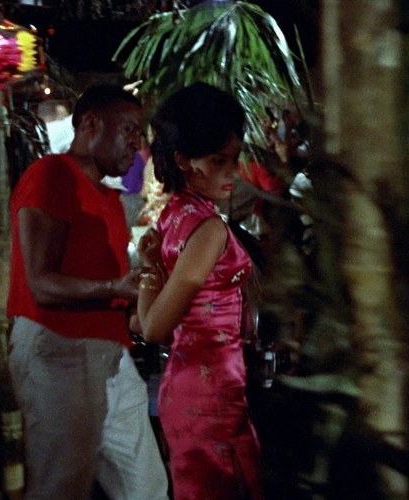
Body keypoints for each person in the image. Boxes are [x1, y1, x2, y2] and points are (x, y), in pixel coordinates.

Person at [7, 84, 168, 500]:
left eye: (140, 133)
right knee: (60, 486)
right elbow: (41, 283)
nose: (137, 143)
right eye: (129, 129)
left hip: (110, 354)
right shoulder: (52, 174)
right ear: (91, 124)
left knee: (146, 486)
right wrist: (115, 287)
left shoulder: (109, 198)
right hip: (59, 349)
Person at [136, 83, 263, 500]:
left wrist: (150, 268)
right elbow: (153, 329)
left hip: (187, 383)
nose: (232, 172)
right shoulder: (208, 229)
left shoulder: (174, 214)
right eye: (217, 161)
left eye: (234, 159)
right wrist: (149, 271)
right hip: (212, 393)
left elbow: (148, 318)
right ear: (183, 161)